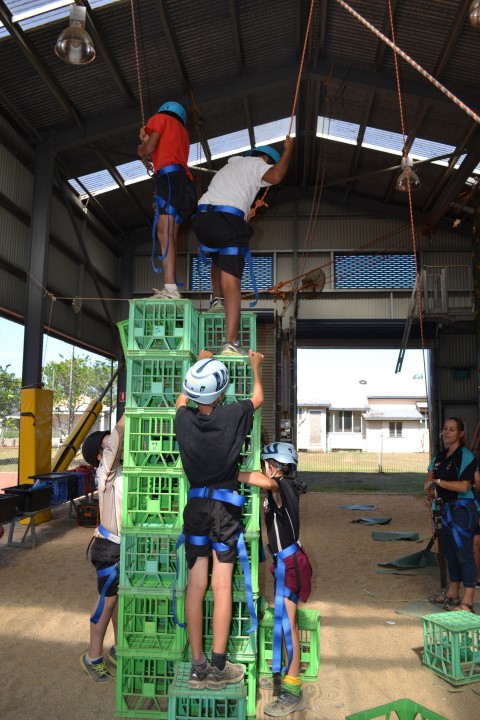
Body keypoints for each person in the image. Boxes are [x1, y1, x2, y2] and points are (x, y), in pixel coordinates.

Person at [174, 348, 264, 690]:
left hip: (195, 509)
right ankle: (218, 667)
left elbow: (183, 399)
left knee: (195, 587)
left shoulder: (182, 419)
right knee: (221, 586)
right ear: (223, 392)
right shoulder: (233, 415)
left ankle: (196, 668)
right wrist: (255, 367)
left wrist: (198, 362)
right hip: (224, 512)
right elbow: (257, 397)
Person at [191, 136, 294, 356]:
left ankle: (216, 300)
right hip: (226, 222)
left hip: (201, 222)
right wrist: (288, 151)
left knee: (220, 252)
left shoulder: (227, 169)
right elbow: (276, 176)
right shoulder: (256, 163)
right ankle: (230, 342)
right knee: (233, 283)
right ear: (265, 158)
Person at [257, 442, 311, 717]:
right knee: (282, 620)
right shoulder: (281, 485)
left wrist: (227, 472)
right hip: (285, 561)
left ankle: (293, 690)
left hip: (290, 564)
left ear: (272, 466)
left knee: (289, 625)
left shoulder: (282, 485)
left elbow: (268, 484)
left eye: (264, 463)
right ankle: (283, 677)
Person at [79, 414, 124, 682]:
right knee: (105, 606)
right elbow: (117, 436)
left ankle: (118, 649)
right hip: (108, 549)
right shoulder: (104, 472)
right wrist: (128, 410)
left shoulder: (120, 470)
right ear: (100, 455)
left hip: (121, 547)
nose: (115, 447)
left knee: (119, 602)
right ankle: (92, 657)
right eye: (108, 446)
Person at [137, 101, 196, 299]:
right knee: (170, 234)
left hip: (169, 180)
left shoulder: (159, 119)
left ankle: (171, 289)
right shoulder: (183, 133)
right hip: (184, 184)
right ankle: (171, 287)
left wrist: (141, 147)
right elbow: (164, 151)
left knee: (164, 233)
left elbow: (150, 147)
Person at [425, 417, 479, 612]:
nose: (447, 432)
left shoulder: (465, 456)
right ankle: (453, 592)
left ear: (460, 434)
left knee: (464, 554)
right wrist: (430, 492)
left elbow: (464, 486)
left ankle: (467, 601)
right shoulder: (439, 458)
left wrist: (437, 482)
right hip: (443, 511)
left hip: (462, 511)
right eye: (445, 429)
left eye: (452, 429)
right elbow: (429, 483)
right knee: (449, 554)